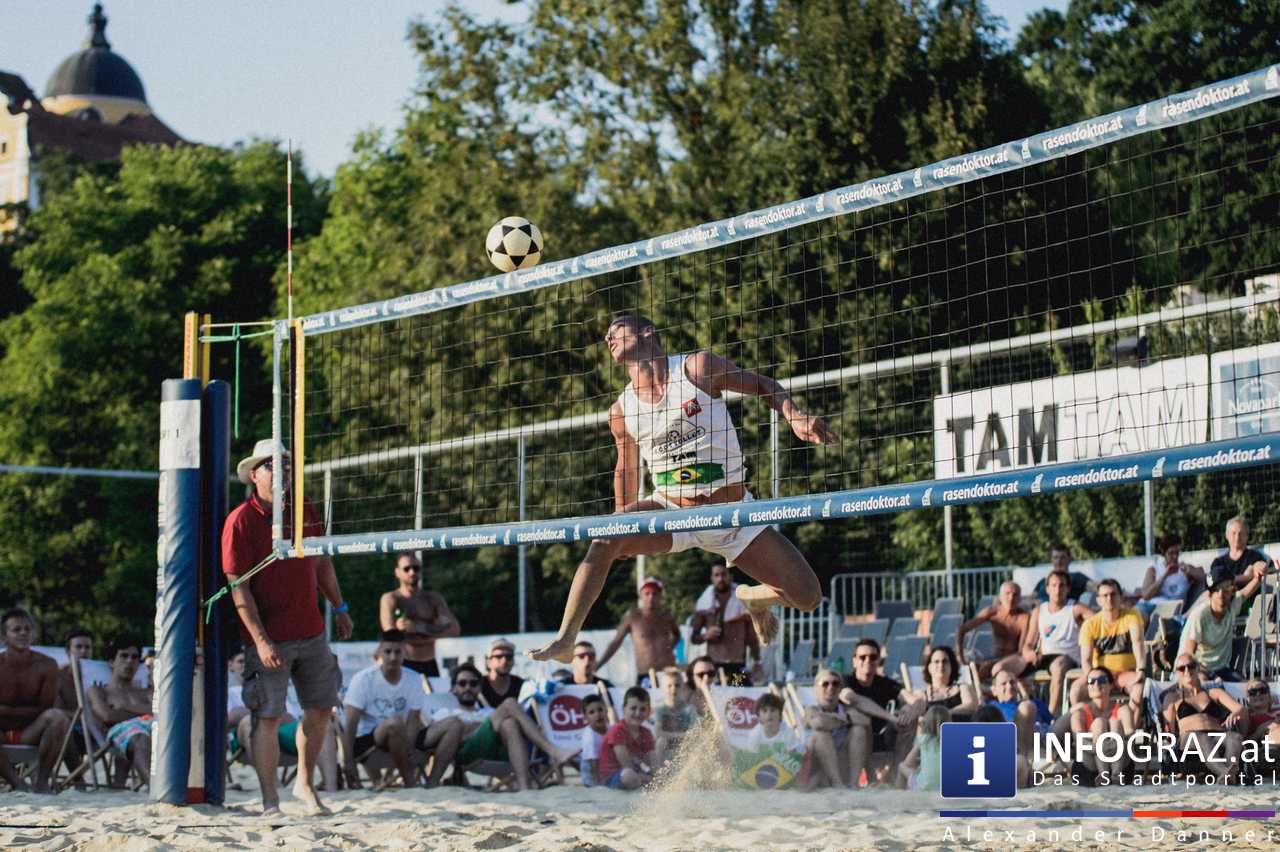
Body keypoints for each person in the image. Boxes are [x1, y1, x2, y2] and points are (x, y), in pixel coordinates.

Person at [529, 315, 831, 663]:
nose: (608, 338)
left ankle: (755, 598)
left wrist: (795, 416)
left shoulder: (698, 369)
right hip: (672, 513)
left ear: (647, 333)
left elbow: (764, 384)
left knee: (809, 597)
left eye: (617, 331)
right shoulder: (621, 411)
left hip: (732, 515)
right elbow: (626, 468)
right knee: (604, 539)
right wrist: (622, 519)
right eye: (606, 335)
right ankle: (566, 639)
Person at [221, 438, 354, 816]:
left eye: (287, 464)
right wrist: (261, 641)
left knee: (321, 709)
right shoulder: (240, 521)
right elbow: (239, 588)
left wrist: (340, 607)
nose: (282, 471)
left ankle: (304, 784)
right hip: (269, 638)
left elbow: (322, 563)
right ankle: (270, 801)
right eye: (272, 465)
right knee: (267, 716)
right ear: (253, 475)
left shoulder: (304, 508)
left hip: (311, 631)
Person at [342, 630, 461, 789]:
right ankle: (409, 782)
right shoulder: (363, 679)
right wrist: (348, 760)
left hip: (405, 737)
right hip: (369, 742)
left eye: (398, 652)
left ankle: (432, 783)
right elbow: (350, 724)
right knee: (395, 722)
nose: (393, 657)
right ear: (379, 652)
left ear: (405, 652)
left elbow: (413, 719)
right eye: (388, 652)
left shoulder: (414, 678)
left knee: (455, 724)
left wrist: (410, 747)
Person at [433, 663, 578, 791]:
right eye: (462, 683)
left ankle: (524, 787)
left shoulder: (488, 712)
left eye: (473, 683)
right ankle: (553, 751)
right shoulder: (446, 712)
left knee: (510, 724)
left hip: (498, 754)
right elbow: (443, 739)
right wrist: (472, 728)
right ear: (454, 689)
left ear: (479, 688)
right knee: (510, 703)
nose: (468, 687)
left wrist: (479, 726)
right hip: (468, 754)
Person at [998, 569, 1093, 715]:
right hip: (1041, 656)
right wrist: (1029, 652)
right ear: (1047, 589)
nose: (1057, 590)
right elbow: (1028, 643)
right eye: (1054, 585)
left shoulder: (1076, 609)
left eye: (1062, 585)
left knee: (1058, 667)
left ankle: (1050, 717)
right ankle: (1006, 711)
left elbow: (1099, 621)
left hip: (1066, 656)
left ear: (1068, 589)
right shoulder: (1039, 611)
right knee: (1001, 668)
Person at [0, 608, 70, 793]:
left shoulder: (46, 665)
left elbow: (46, 708)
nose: (23, 633)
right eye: (16, 629)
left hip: (30, 731)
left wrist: (6, 710)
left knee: (58, 717)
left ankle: (42, 782)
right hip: (1, 731)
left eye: (27, 629)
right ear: (4, 637)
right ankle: (17, 783)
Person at [841, 638, 917, 782]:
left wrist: (909, 714)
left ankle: (897, 780)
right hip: (852, 739)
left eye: (873, 657)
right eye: (862, 657)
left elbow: (915, 701)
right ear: (854, 661)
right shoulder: (845, 681)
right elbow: (853, 699)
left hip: (881, 738)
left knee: (907, 713)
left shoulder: (885, 683)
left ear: (878, 661)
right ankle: (860, 781)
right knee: (862, 722)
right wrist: (890, 717)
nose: (868, 660)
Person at [1162, 654, 1245, 781]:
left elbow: (1240, 709)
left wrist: (1234, 713)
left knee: (1234, 737)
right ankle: (1225, 772)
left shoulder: (1214, 693)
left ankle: (1228, 775)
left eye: (1191, 666)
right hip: (1189, 739)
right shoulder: (1173, 697)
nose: (1187, 671)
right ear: (1177, 673)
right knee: (1202, 738)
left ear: (1198, 668)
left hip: (1217, 735)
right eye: (1182, 668)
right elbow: (1169, 730)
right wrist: (1167, 746)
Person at [1179, 561, 1266, 681]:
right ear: (1209, 594)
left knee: (1243, 685)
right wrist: (1207, 676)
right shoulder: (1200, 615)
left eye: (1225, 588)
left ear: (1232, 591)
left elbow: (1250, 587)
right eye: (1216, 589)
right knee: (1203, 681)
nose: (1221, 594)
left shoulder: (1233, 605)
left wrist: (1259, 569)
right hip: (1199, 670)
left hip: (1223, 670)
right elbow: (1189, 655)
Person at [378, 553, 459, 678]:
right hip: (403, 663)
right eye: (406, 569)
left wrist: (419, 628)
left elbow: (454, 629)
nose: (412, 572)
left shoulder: (433, 599)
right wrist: (431, 634)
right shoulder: (391, 599)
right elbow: (390, 634)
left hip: (430, 664)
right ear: (397, 572)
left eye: (416, 568)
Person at [89, 641, 153, 787]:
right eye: (124, 656)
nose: (129, 661)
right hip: (124, 735)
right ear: (112, 662)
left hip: (153, 729)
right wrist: (143, 712)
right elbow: (107, 716)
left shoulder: (147, 692)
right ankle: (153, 786)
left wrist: (124, 708)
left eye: (135, 657)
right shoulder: (99, 691)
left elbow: (161, 711)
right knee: (139, 736)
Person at [1072, 579, 1145, 707]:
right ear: (1098, 600)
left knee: (1138, 689)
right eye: (1105, 595)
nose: (1109, 598)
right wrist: (1092, 678)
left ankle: (1132, 720)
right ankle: (1083, 719)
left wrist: (1141, 670)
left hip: (1126, 673)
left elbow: (1138, 643)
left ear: (1120, 596)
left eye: (1113, 594)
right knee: (1076, 690)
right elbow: (1086, 660)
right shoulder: (1090, 624)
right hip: (1101, 675)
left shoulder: (1132, 615)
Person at [596, 577, 681, 685]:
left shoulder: (667, 616)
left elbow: (677, 635)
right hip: (645, 673)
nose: (651, 597)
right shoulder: (633, 617)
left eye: (654, 594)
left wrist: (668, 648)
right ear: (641, 595)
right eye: (647, 593)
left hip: (667, 672)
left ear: (660, 596)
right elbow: (615, 643)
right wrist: (598, 665)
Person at [690, 564, 761, 684]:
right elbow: (693, 638)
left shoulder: (743, 602)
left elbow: (751, 638)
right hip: (713, 667)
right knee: (715, 695)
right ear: (712, 578)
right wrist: (705, 635)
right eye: (716, 575)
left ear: (730, 576)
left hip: (738, 664)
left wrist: (758, 662)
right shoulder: (704, 605)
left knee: (741, 694)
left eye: (724, 574)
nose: (720, 579)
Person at [804, 668, 871, 790]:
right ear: (815, 689)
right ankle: (837, 784)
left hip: (842, 763)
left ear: (840, 688)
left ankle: (853, 784)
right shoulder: (811, 710)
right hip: (819, 771)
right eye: (825, 684)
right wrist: (845, 719)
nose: (831, 688)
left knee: (859, 730)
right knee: (821, 735)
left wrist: (836, 719)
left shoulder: (846, 709)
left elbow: (865, 721)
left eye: (835, 684)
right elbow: (818, 723)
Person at [955, 581, 1029, 679]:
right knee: (971, 667)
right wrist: (960, 657)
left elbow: (1021, 651)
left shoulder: (1024, 618)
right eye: (1007, 593)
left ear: (1020, 598)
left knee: (990, 668)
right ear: (1000, 597)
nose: (1011, 598)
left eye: (1015, 595)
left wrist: (993, 663)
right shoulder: (992, 612)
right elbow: (961, 630)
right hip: (994, 656)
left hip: (1014, 659)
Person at [596, 686, 658, 790]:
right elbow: (626, 765)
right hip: (611, 778)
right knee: (629, 775)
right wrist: (650, 778)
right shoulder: (617, 730)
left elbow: (652, 762)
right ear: (623, 709)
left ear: (648, 712)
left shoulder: (646, 733)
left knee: (663, 773)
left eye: (643, 709)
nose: (638, 713)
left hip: (636, 774)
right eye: (633, 708)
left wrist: (658, 775)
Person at [912, 646, 980, 720]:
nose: (941, 665)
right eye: (936, 662)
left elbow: (971, 705)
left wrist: (944, 715)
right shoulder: (922, 694)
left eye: (945, 661)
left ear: (951, 666)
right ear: (929, 668)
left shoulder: (963, 688)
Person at [1139, 534, 1205, 610]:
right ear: (1164, 553)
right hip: (1148, 606)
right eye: (1171, 553)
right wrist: (1164, 576)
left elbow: (1205, 578)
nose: (1175, 556)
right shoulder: (1154, 569)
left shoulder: (1185, 569)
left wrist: (1189, 570)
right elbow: (1146, 596)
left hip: (1170, 610)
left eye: (1177, 553)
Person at [897, 705, 947, 791]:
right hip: (948, 786)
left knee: (901, 766)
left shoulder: (923, 739)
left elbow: (907, 763)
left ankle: (898, 792)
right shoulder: (955, 739)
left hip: (923, 787)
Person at [654, 666, 696, 763]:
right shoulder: (660, 709)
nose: (673, 689)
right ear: (663, 688)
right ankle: (659, 770)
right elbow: (658, 733)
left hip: (685, 745)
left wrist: (674, 736)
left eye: (677, 685)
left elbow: (694, 733)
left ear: (682, 687)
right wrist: (679, 735)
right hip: (667, 745)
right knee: (660, 742)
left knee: (694, 744)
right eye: (669, 686)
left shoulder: (689, 709)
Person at [745, 692, 802, 760]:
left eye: (773, 710)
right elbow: (752, 758)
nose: (769, 714)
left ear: (780, 714)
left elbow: (793, 757)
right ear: (759, 716)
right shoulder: (755, 734)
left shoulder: (788, 732)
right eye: (765, 711)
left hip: (784, 764)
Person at [56, 626, 94, 712]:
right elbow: (57, 713)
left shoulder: (100, 674)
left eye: (88, 647)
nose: (83, 651)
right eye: (78, 647)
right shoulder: (58, 676)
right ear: (68, 651)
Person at [480, 638, 524, 708]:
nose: (504, 660)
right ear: (489, 662)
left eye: (509, 657)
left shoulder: (521, 685)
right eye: (499, 657)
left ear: (513, 661)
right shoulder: (477, 684)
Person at [579, 693, 610, 787]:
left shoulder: (611, 728)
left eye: (600, 710)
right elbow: (593, 763)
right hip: (592, 777)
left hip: (607, 769)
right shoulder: (590, 737)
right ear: (585, 717)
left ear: (606, 710)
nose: (597, 714)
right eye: (592, 712)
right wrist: (598, 785)